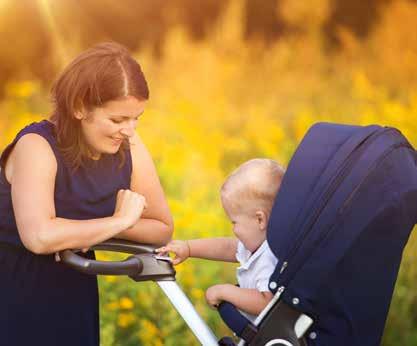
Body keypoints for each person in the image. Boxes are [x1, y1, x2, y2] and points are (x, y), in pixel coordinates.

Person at [0, 42, 173, 346]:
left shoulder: (128, 144)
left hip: (73, 291)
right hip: (14, 292)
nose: (129, 130)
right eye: (117, 120)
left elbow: (161, 228)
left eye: (136, 118)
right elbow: (39, 236)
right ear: (79, 107)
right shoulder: (36, 146)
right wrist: (119, 221)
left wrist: (74, 233)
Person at [156, 158, 284, 322]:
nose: (233, 229)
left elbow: (267, 302)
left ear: (260, 220)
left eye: (234, 222)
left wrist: (225, 292)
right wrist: (189, 248)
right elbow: (227, 247)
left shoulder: (270, 257)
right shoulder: (258, 244)